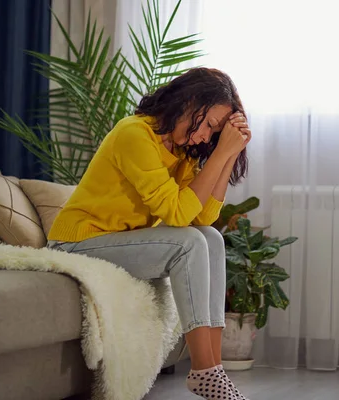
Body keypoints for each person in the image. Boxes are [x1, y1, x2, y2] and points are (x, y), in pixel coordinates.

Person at [47, 67, 251, 400]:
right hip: (74, 244)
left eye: (214, 135)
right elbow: (177, 214)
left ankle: (213, 370)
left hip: (116, 244)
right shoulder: (134, 134)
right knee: (188, 244)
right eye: (210, 127)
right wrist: (218, 152)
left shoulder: (181, 151)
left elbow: (203, 217)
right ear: (190, 102)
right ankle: (205, 371)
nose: (205, 138)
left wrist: (226, 154)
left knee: (210, 238)